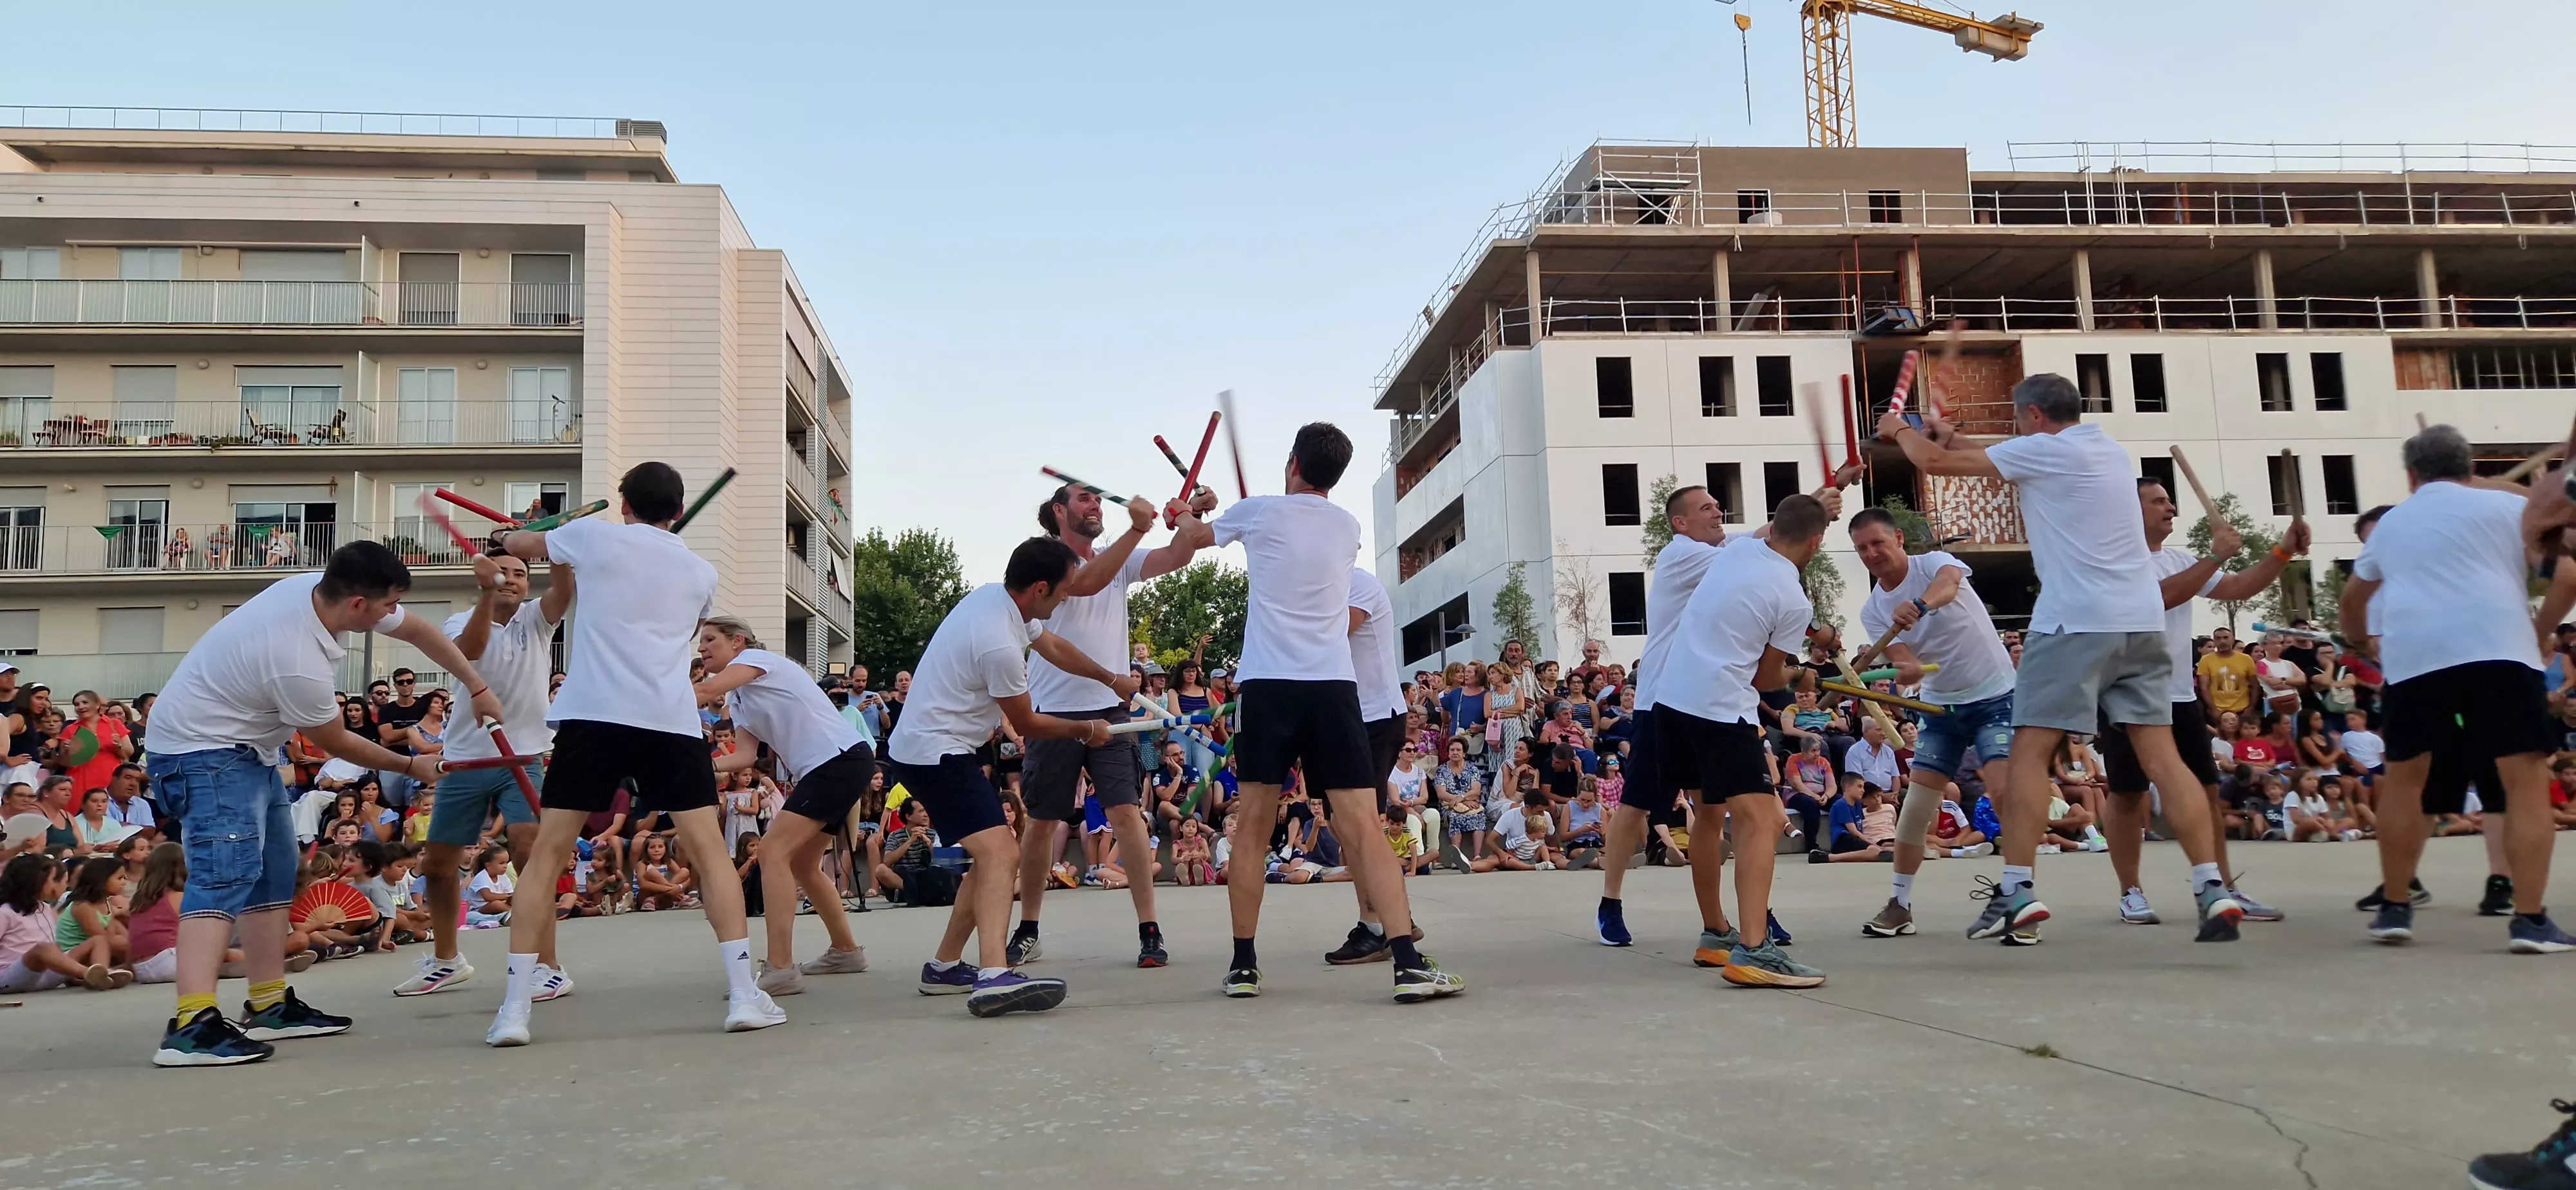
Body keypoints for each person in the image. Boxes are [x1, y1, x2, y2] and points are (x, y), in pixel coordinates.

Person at [1879, 373, 2240, 945]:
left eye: (2022, 421)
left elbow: (1928, 462)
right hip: (2141, 623)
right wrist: (1954, 438)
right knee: (2165, 760)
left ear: (2034, 416)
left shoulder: (2044, 449)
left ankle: (2018, 888)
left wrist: (1898, 429)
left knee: (2029, 750)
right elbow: (1994, 454)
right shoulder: (2106, 449)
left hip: (2075, 621)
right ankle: (2210, 885)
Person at [143, 541, 502, 1066]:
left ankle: (268, 1004)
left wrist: (476, 687)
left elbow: (421, 630)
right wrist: (409, 766)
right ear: (358, 603)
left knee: (273, 873)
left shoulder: (320, 589)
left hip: (246, 749)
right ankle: (189, 1027)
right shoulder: (296, 660)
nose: (390, 615)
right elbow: (336, 741)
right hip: (200, 752)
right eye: (384, 606)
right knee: (224, 875)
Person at [477, 462, 781, 1046]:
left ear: (624, 503)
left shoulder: (591, 536)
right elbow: (685, 626)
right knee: (711, 856)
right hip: (667, 718)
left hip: (593, 714)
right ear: (675, 508)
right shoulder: (700, 571)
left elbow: (519, 544)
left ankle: (514, 1010)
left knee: (547, 856)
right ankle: (744, 995)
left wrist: (529, 531)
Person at [1210, 422, 1461, 1003]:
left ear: (1292, 461)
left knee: (1251, 830)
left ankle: (1243, 966)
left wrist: (1193, 511)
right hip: (1331, 687)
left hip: (1269, 686)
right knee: (1363, 827)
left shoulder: (1259, 511)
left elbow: (1192, 535)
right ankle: (1406, 961)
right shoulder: (1346, 527)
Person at [890, 536, 1143, 1016]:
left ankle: (944, 967)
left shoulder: (996, 599)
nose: (1070, 597)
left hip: (942, 748)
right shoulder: (998, 644)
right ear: (1042, 587)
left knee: (991, 857)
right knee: (1001, 853)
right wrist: (1088, 728)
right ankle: (993, 975)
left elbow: (1052, 645)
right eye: (1066, 589)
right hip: (935, 753)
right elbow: (1027, 724)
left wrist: (1112, 679)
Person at [2342, 425, 2571, 951]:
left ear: (2410, 474)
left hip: (2416, 657)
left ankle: (2396, 907)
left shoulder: (2391, 525)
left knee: (2404, 779)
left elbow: (2354, 602)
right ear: (2470, 469)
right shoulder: (2507, 510)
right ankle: (2530, 919)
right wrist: (2538, 634)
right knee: (2524, 783)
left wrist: (2359, 643)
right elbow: (2566, 578)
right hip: (2500, 651)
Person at [1597, 481, 1837, 954]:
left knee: (1720, 814)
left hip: (1710, 700)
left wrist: (1812, 510)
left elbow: (1768, 548)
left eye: (1717, 505)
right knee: (1643, 804)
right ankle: (1612, 901)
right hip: (1667, 700)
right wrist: (1813, 508)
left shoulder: (1733, 555)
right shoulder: (1683, 555)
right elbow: (1771, 543)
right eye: (1705, 507)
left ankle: (1735, 923)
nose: (1717, 511)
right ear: (1680, 523)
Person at [1009, 480, 1211, 970]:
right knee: (1040, 824)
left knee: (1128, 817)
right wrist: (1138, 527)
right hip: (1053, 713)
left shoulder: (1118, 557)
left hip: (1111, 713)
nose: (1095, 504)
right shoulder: (1046, 561)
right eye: (1084, 498)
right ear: (1059, 512)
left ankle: (1149, 930)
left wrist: (1189, 517)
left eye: (1098, 498)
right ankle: (1029, 929)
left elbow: (1179, 556)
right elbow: (1085, 581)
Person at [2097, 475, 2307, 925]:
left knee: (2207, 792)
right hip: (2127, 695)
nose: (2169, 507)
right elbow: (2153, 600)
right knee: (2128, 794)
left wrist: (2282, 551)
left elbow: (2238, 588)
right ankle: (2130, 891)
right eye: (2157, 502)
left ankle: (2222, 888)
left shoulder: (2180, 558)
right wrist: (2215, 555)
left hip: (2179, 694)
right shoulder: (2114, 559)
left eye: (2170, 500)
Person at [1654, 493, 1835, 988]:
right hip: (1717, 707)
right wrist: (1802, 680)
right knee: (1766, 820)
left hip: (1672, 701)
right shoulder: (1793, 598)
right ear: (1817, 543)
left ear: (1774, 525)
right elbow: (1767, 680)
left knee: (1712, 817)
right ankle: (1755, 949)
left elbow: (1765, 535)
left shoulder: (1735, 552)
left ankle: (1716, 935)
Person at [393, 551, 571, 998]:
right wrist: (488, 594)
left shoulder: (537, 618)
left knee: (531, 851)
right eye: (502, 573)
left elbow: (564, 590)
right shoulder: (460, 621)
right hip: (466, 759)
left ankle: (548, 966)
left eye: (520, 574)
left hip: (523, 758)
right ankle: (447, 960)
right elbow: (467, 654)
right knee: (437, 864)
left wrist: (561, 547)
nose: (512, 580)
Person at [1848, 506, 2018, 938]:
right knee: (1917, 805)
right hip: (1941, 708)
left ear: (1899, 539)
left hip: (1997, 694)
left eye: (1878, 543)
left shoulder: (1934, 564)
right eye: (1863, 548)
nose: (1872, 553)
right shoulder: (1874, 610)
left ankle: (2020, 896)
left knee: (2002, 789)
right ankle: (1899, 904)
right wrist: (1904, 668)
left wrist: (1919, 605)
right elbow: (1905, 661)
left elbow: (1947, 586)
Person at [692, 615, 876, 995]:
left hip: (837, 761)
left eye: (710, 640)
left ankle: (780, 968)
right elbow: (744, 755)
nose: (701, 648)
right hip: (832, 766)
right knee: (803, 864)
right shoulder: (741, 699)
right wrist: (702, 766)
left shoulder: (765, 663)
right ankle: (846, 952)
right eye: (700, 642)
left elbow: (701, 693)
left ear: (738, 642)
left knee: (773, 852)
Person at [2195, 628, 2258, 721]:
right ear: (2215, 641)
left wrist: (2251, 708)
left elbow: (2255, 685)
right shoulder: (2206, 660)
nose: (2222, 641)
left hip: (2242, 710)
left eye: (2226, 638)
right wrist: (2213, 709)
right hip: (2218, 711)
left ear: (2233, 639)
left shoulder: (2246, 659)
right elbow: (2204, 687)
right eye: (2218, 638)